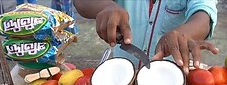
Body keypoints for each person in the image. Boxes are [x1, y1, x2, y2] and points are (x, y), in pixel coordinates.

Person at [72, 0, 218, 74]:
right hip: (121, 76)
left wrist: (184, 34)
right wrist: (106, 7)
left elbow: (203, 15)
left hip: (173, 77)